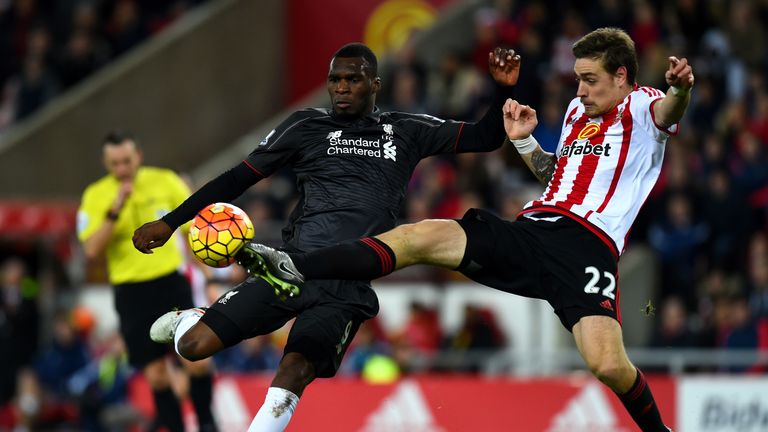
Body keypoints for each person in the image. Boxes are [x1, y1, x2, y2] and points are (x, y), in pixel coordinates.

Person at [237, 28, 692, 432]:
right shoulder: (577, 112)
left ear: (621, 75)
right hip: (535, 228)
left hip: (587, 248)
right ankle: (295, 265)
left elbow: (671, 109)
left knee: (608, 364)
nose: (580, 89)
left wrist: (681, 89)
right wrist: (524, 143)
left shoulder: (645, 106)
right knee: (423, 236)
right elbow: (559, 176)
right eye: (577, 78)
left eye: (590, 79)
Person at [132, 42, 520, 431]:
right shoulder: (305, 126)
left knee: (296, 369)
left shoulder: (406, 130)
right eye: (335, 79)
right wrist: (171, 223)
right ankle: (191, 320)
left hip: (347, 285)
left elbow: (484, 137)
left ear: (375, 84)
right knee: (193, 347)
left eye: (353, 79)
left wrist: (503, 88)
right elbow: (237, 178)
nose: (342, 87)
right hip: (287, 269)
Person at [77, 131, 217, 432]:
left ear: (138, 155)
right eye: (114, 163)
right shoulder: (96, 195)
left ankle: (206, 422)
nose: (122, 169)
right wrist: (114, 212)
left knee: (198, 359)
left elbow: (193, 232)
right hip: (131, 292)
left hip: (170, 282)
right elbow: (91, 250)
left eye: (126, 161)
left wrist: (208, 279)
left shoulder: (165, 180)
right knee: (156, 375)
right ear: (105, 162)